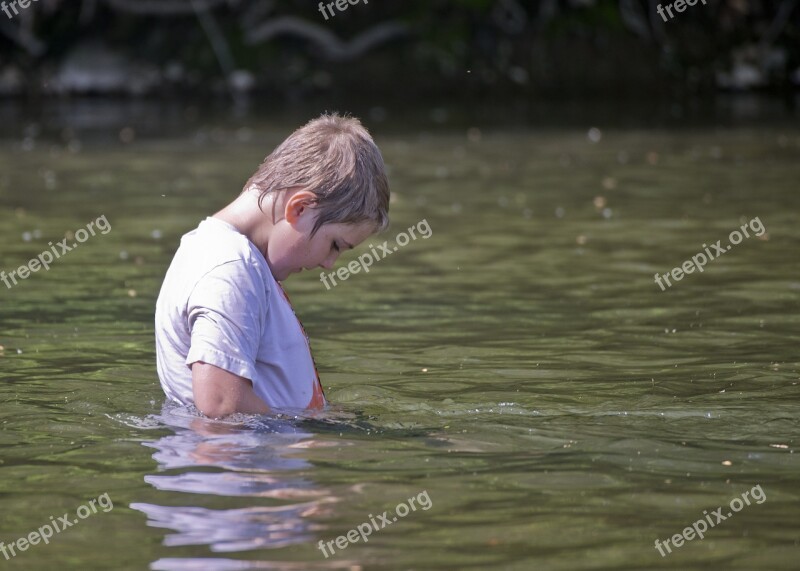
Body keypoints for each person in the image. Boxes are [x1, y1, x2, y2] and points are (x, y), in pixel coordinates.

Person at [155, 113, 390, 418]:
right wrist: (320, 440)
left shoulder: (240, 261)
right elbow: (220, 406)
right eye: (335, 245)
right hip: (240, 465)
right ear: (300, 207)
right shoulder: (228, 268)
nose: (330, 264)